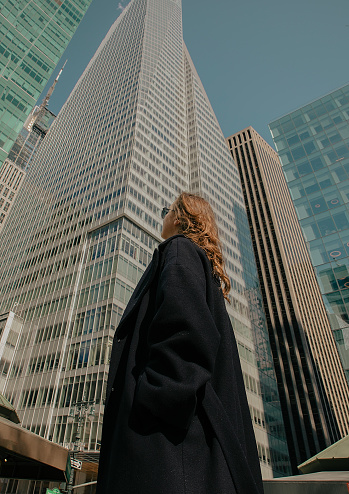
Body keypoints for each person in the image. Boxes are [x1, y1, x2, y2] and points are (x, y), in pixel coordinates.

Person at [96, 192, 263, 494]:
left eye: (166, 210)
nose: (163, 216)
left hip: (171, 450)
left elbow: (186, 335)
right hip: (188, 451)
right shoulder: (201, 266)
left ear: (178, 216)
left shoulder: (179, 250)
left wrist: (151, 403)